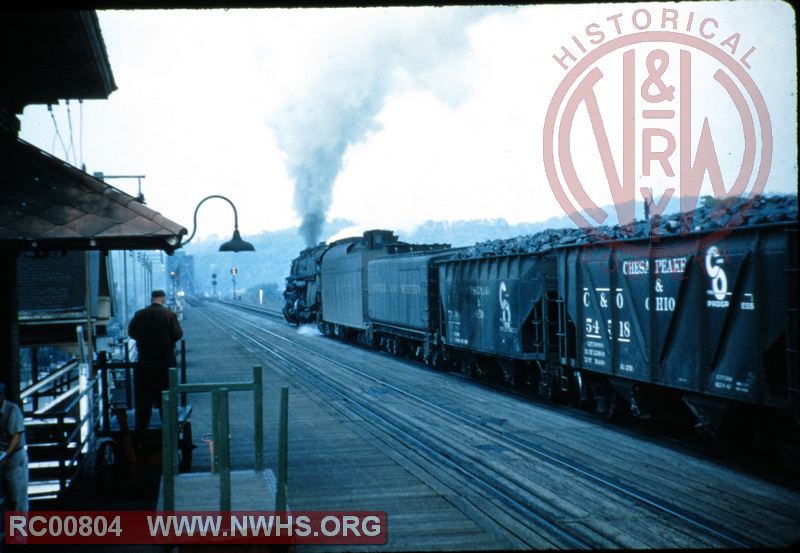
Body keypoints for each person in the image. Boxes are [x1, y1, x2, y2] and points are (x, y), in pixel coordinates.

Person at [128, 290, 184, 431]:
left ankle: (142, 429)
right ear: (163, 299)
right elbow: (178, 334)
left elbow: (131, 332)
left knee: (144, 399)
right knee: (165, 397)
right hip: (164, 361)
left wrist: (144, 340)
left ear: (152, 298)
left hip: (144, 361)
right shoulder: (169, 315)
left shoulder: (139, 314)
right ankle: (168, 429)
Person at [0, 382, 29, 514]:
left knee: (18, 500)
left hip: (14, 458)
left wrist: (5, 455)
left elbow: (16, 436)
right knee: (5, 501)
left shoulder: (12, 410)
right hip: (2, 458)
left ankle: (19, 535)